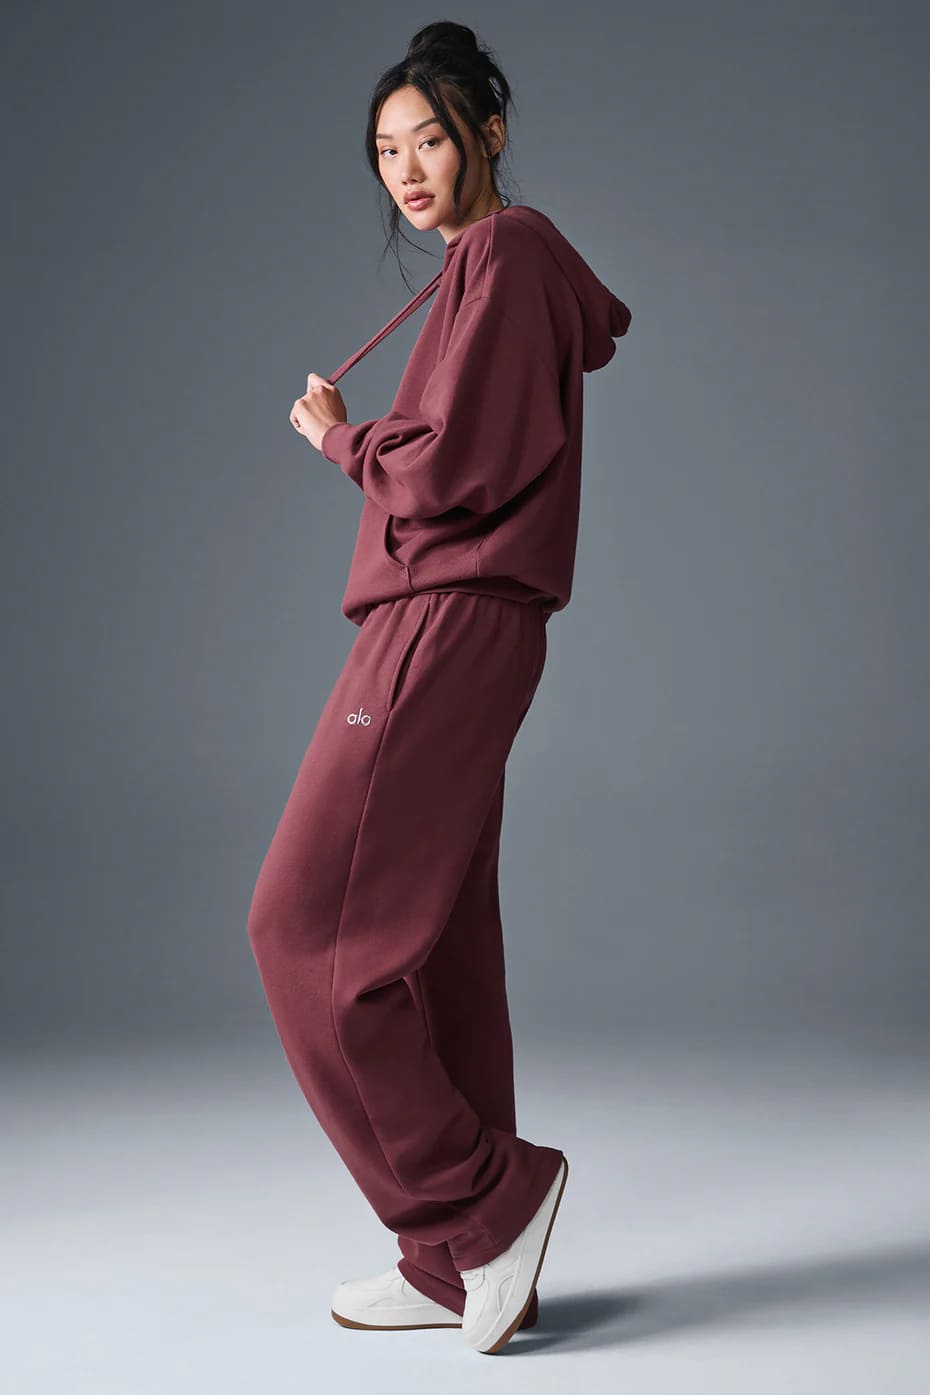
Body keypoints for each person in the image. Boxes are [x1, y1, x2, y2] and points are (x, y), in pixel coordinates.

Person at [246, 20, 631, 1355]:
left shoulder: (508, 256)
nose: (406, 169)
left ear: (490, 134)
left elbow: (458, 464)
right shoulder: (486, 268)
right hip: (460, 620)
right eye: (384, 151)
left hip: (444, 618)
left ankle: (484, 1200)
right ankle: (449, 1261)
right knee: (438, 939)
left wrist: (340, 441)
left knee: (302, 930)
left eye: (429, 139)